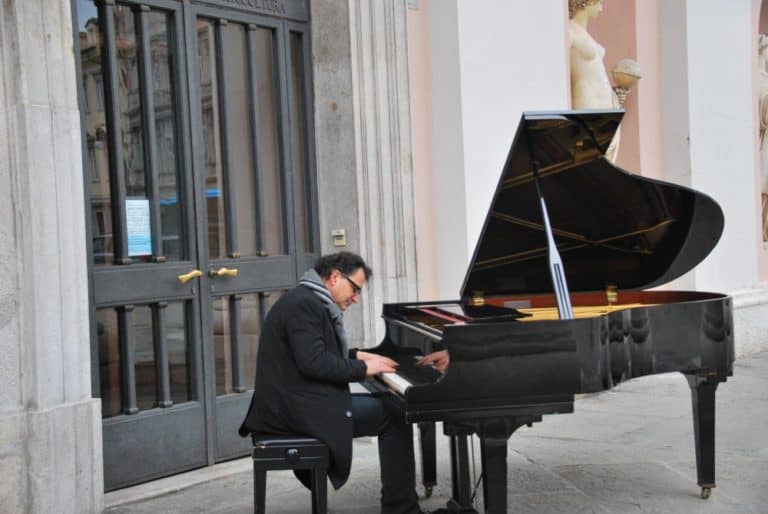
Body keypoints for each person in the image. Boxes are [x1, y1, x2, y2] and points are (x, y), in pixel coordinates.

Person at [239, 252, 435, 514]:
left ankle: (400, 505)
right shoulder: (303, 305)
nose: (355, 298)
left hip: (296, 402)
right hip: (292, 412)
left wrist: (356, 355)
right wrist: (365, 368)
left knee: (390, 404)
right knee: (394, 413)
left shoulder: (306, 299)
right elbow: (315, 363)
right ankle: (401, 509)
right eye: (354, 288)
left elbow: (315, 352)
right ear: (334, 277)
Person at [568, 0, 621, 162]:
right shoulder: (569, 30)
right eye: (599, 3)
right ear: (586, 2)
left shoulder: (584, 33)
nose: (601, 8)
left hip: (607, 107)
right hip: (587, 104)